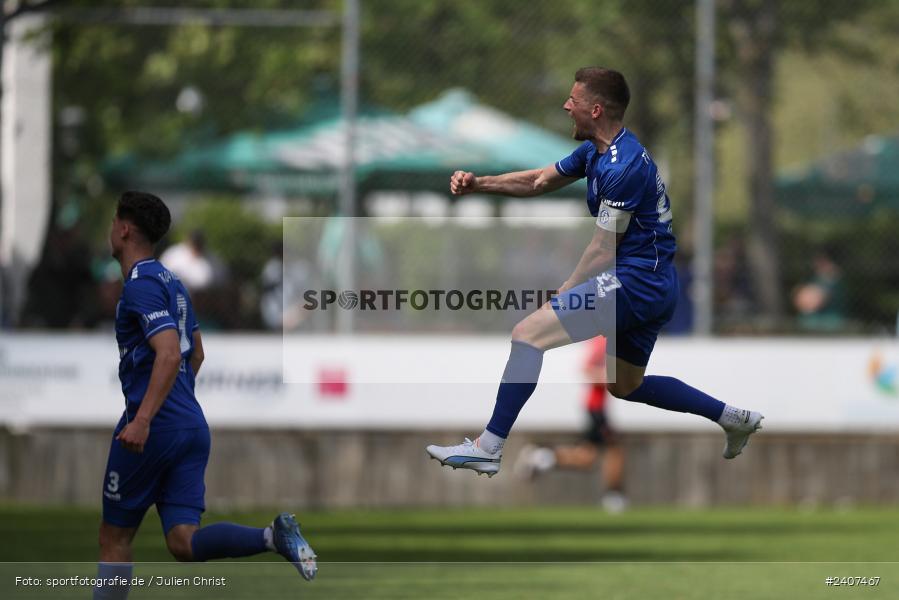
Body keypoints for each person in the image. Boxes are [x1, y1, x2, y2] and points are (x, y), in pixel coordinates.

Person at [426, 67, 763, 477]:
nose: (567, 106)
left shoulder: (625, 168)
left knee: (528, 334)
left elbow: (605, 248)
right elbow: (538, 181)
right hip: (653, 284)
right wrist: (480, 183)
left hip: (635, 282)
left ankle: (489, 446)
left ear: (597, 109)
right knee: (625, 386)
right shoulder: (597, 151)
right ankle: (731, 417)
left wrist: (567, 290)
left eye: (574, 101)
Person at [94, 192, 316, 600]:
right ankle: (272, 537)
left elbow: (166, 352)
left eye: (113, 222)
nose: (111, 231)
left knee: (114, 537)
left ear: (124, 229)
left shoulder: (141, 285)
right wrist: (177, 403)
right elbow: (195, 352)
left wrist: (144, 419)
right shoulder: (173, 282)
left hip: (152, 427)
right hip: (191, 425)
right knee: (183, 541)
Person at [514, 336, 627, 512]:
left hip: (597, 408)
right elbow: (587, 369)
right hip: (595, 408)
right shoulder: (602, 341)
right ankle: (614, 497)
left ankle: (541, 456)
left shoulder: (612, 339)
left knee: (587, 459)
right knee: (614, 450)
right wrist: (611, 377)